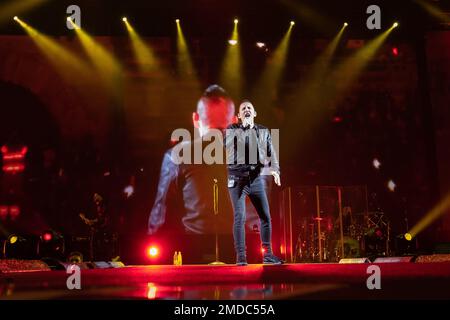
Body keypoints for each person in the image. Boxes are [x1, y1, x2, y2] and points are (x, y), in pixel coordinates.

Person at [147, 85, 236, 236]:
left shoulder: (178, 154)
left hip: (192, 250)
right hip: (246, 252)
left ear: (196, 119)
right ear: (234, 121)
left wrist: (154, 243)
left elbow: (161, 212)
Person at [225, 100, 283, 265]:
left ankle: (268, 255)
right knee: (240, 217)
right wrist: (245, 129)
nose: (246, 110)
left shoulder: (263, 131)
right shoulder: (232, 129)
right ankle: (241, 256)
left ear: (255, 113)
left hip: (255, 178)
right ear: (238, 115)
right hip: (237, 179)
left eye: (249, 108)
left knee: (265, 216)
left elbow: (271, 151)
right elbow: (228, 146)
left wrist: (275, 169)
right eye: (243, 109)